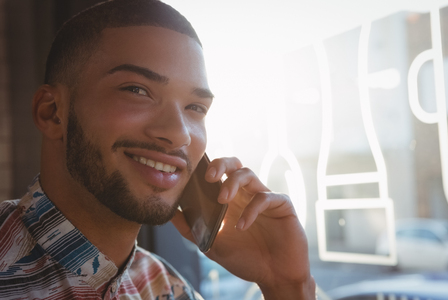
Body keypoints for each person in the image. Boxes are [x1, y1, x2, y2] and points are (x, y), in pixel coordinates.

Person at [0, 0, 316, 299]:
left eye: (195, 107)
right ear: (53, 112)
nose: (180, 134)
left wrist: (285, 284)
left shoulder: (165, 287)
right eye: (137, 90)